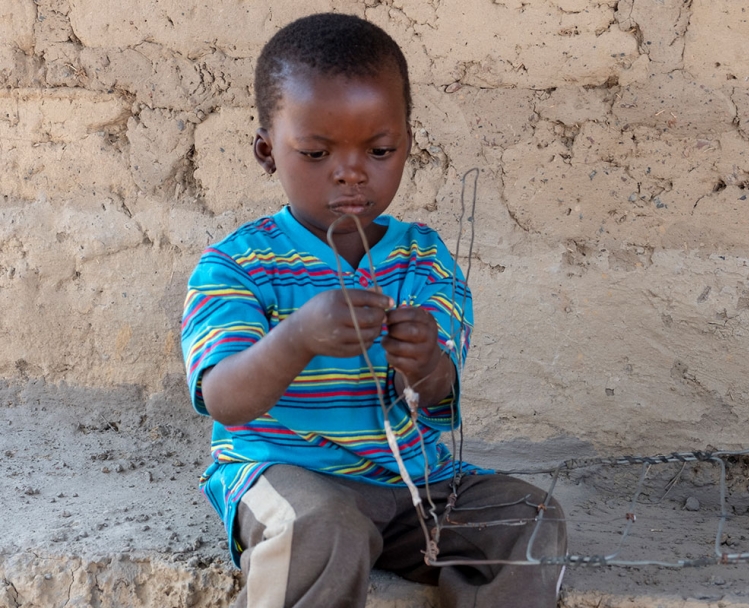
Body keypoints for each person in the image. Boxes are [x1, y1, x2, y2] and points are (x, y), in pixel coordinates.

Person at [181, 12, 566, 608]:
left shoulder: (425, 259)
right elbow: (224, 398)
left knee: (532, 517)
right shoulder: (236, 266)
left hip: (418, 488)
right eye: (316, 152)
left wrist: (426, 363)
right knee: (321, 528)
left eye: (380, 149)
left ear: (407, 144)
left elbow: (440, 396)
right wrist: (297, 338)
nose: (352, 171)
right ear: (266, 152)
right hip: (291, 476)